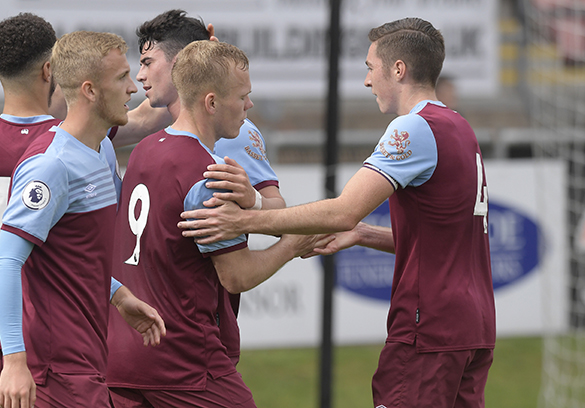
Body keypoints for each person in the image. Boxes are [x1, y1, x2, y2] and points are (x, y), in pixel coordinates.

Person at [179, 18, 496, 408]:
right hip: (475, 325)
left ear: (398, 70)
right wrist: (365, 234)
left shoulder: (414, 128)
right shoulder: (459, 126)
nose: (366, 81)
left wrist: (244, 220)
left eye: (369, 68)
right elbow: (444, 238)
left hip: (428, 326)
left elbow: (343, 210)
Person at [0, 13, 172, 408]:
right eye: (122, 79)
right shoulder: (75, 147)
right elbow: (146, 119)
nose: (131, 86)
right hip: (45, 342)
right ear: (51, 70)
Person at [107, 40, 329, 408]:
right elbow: (236, 276)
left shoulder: (145, 149)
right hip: (184, 360)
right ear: (211, 103)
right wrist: (293, 244)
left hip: (124, 355)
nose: (249, 105)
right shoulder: (209, 174)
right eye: (243, 95)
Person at [109, 9, 287, 376]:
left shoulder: (233, 131)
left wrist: (253, 201)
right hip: (170, 342)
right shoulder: (159, 134)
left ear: (182, 62)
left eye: (147, 62)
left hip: (182, 335)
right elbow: (118, 121)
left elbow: (276, 212)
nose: (139, 75)